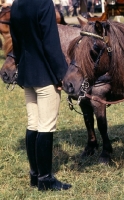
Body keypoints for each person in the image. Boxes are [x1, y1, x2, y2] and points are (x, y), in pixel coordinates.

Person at [10, 0, 71, 191]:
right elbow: (51, 43)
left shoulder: (17, 4)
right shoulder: (44, 3)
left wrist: (20, 64)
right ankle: (46, 179)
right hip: (45, 75)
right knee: (46, 125)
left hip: (27, 73)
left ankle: (35, 176)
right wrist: (62, 75)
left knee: (33, 123)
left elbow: (16, 40)